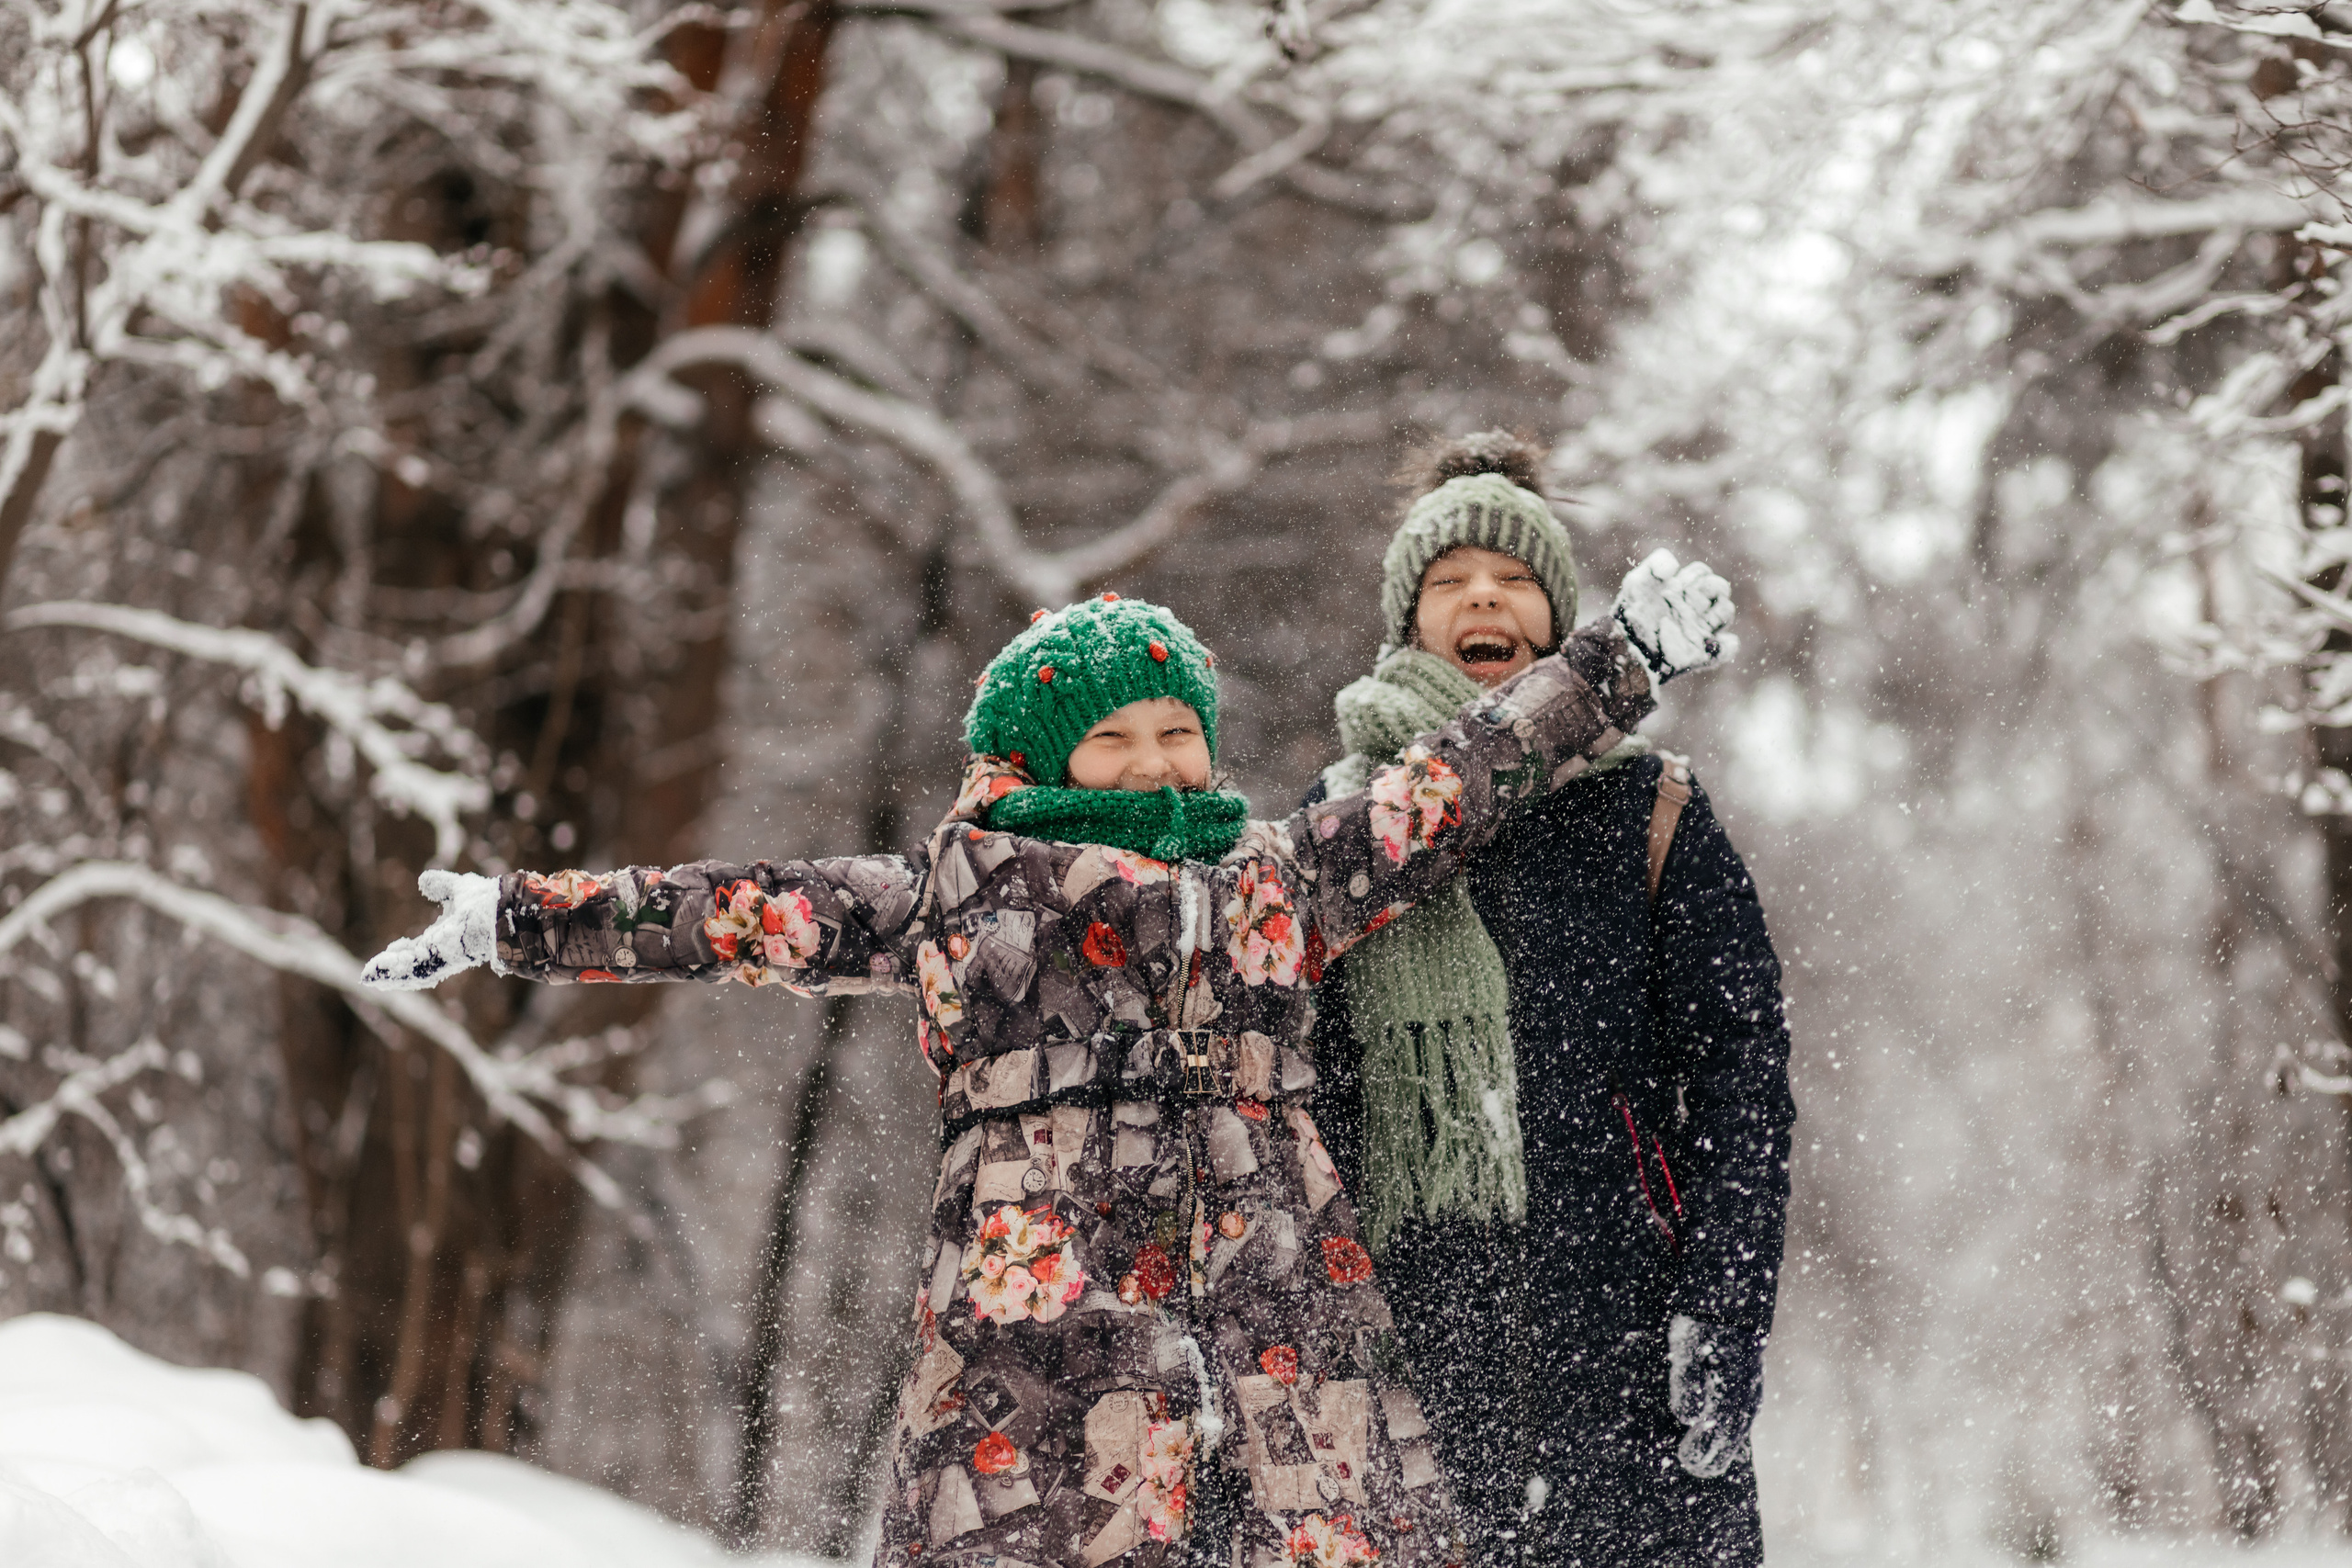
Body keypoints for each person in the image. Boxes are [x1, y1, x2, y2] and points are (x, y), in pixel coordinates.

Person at [361, 578, 1736, 1568]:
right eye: (1115, 737)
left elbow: (1453, 779)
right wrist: (515, 917)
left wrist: (1618, 658)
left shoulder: (1274, 875)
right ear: (1036, 758)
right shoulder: (962, 893)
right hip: (1048, 1326)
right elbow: (737, 909)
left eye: (1177, 732)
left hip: (1273, 1311)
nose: (1155, 762)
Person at [1303, 433, 1795, 1567]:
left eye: (1515, 577)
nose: (1483, 595)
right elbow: (1291, 1100)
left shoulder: (1652, 810)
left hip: (1618, 1331)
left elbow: (1742, 1078)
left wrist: (1722, 1299)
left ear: (1557, 610)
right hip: (1405, 1336)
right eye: (1448, 580)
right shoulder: (1340, 828)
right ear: (1404, 622)